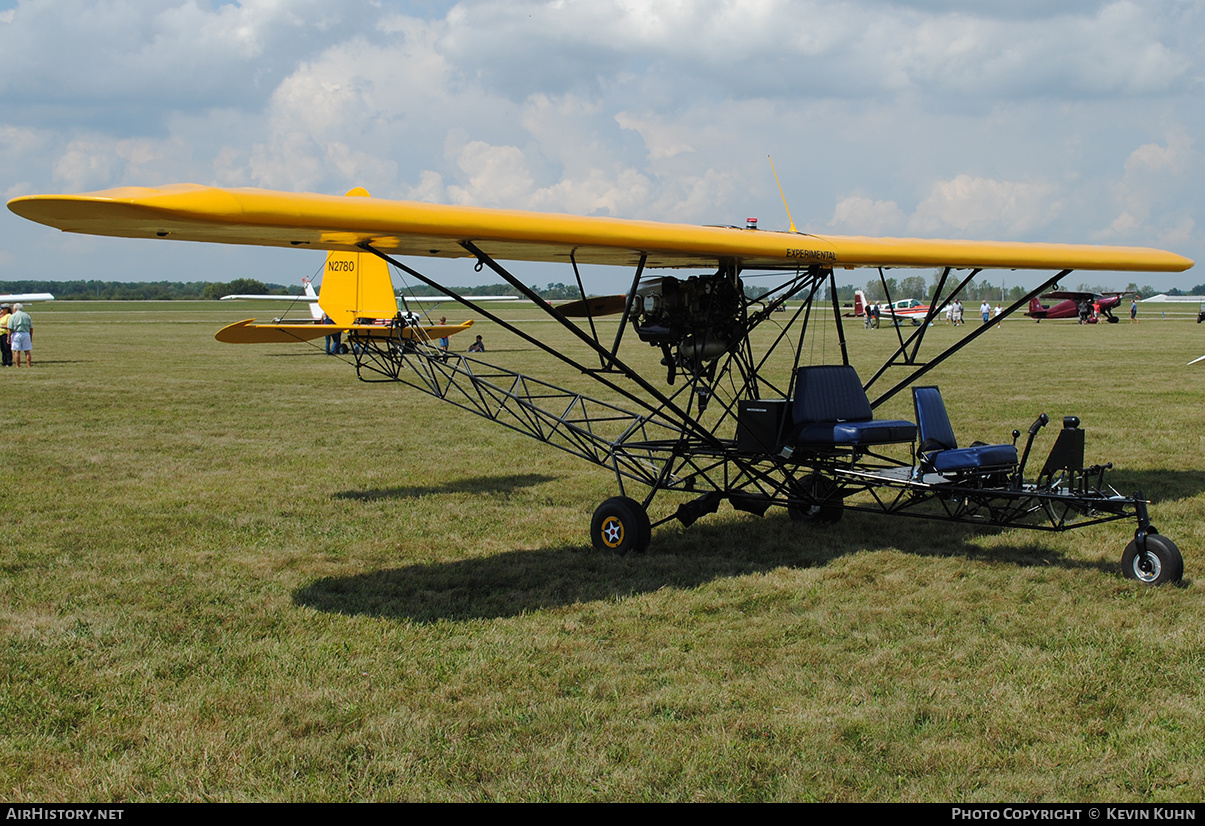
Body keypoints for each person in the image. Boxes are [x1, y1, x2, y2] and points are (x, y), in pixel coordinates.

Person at [8, 303, 32, 367]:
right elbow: (31, 328)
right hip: (26, 333)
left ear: (15, 309)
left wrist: (8, 337)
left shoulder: (13, 316)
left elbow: (10, 328)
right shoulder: (27, 316)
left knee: (17, 351)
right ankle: (29, 365)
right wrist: (30, 336)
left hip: (16, 334)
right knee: (27, 351)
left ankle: (17, 365)